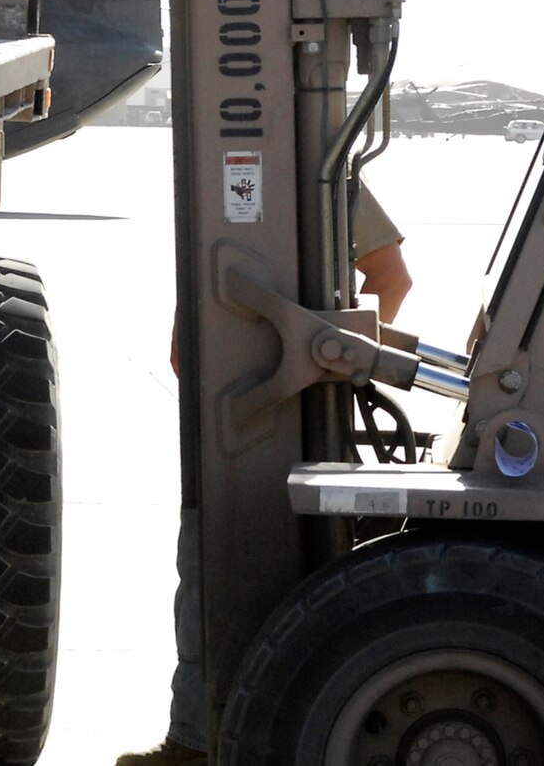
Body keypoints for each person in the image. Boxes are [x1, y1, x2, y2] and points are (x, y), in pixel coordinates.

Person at [118, 183, 411, 766]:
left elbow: (391, 276)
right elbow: (391, 279)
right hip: (262, 404)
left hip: (269, 408)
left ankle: (202, 742)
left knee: (213, 567)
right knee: (215, 571)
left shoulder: (322, 172)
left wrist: (335, 355)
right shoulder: (306, 170)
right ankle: (205, 734)